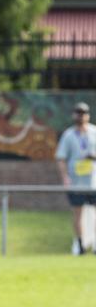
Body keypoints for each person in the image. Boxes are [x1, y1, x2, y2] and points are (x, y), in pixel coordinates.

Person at [55, 101, 96, 255]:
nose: (81, 116)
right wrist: (65, 177)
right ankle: (80, 245)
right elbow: (61, 158)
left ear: (88, 115)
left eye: (83, 113)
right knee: (77, 214)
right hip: (76, 182)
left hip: (93, 181)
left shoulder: (94, 132)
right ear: (74, 115)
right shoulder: (69, 135)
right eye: (78, 113)